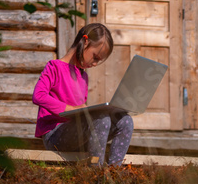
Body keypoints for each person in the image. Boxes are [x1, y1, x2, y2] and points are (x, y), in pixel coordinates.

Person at [32, 23, 133, 166]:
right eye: (95, 57)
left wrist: (84, 110)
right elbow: (38, 96)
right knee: (101, 119)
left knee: (125, 121)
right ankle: (96, 174)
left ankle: (114, 171)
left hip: (78, 135)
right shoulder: (54, 67)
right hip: (55, 136)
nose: (95, 63)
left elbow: (80, 112)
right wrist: (71, 109)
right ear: (85, 42)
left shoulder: (83, 77)